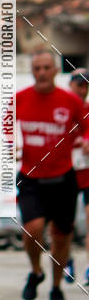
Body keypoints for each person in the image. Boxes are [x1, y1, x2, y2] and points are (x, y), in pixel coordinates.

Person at [16, 50, 89, 300]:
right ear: (32, 71)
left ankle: (56, 287)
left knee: (61, 236)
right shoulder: (20, 99)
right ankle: (36, 271)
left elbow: (86, 126)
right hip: (31, 177)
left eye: (47, 67)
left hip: (63, 179)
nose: (42, 73)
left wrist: (85, 141)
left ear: (56, 71)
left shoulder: (70, 101)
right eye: (37, 68)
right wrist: (9, 145)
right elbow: (3, 128)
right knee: (33, 229)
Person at [67, 69, 89, 286]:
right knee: (66, 222)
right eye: (78, 84)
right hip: (66, 173)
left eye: (85, 85)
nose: (82, 89)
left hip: (88, 174)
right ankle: (68, 262)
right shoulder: (62, 110)